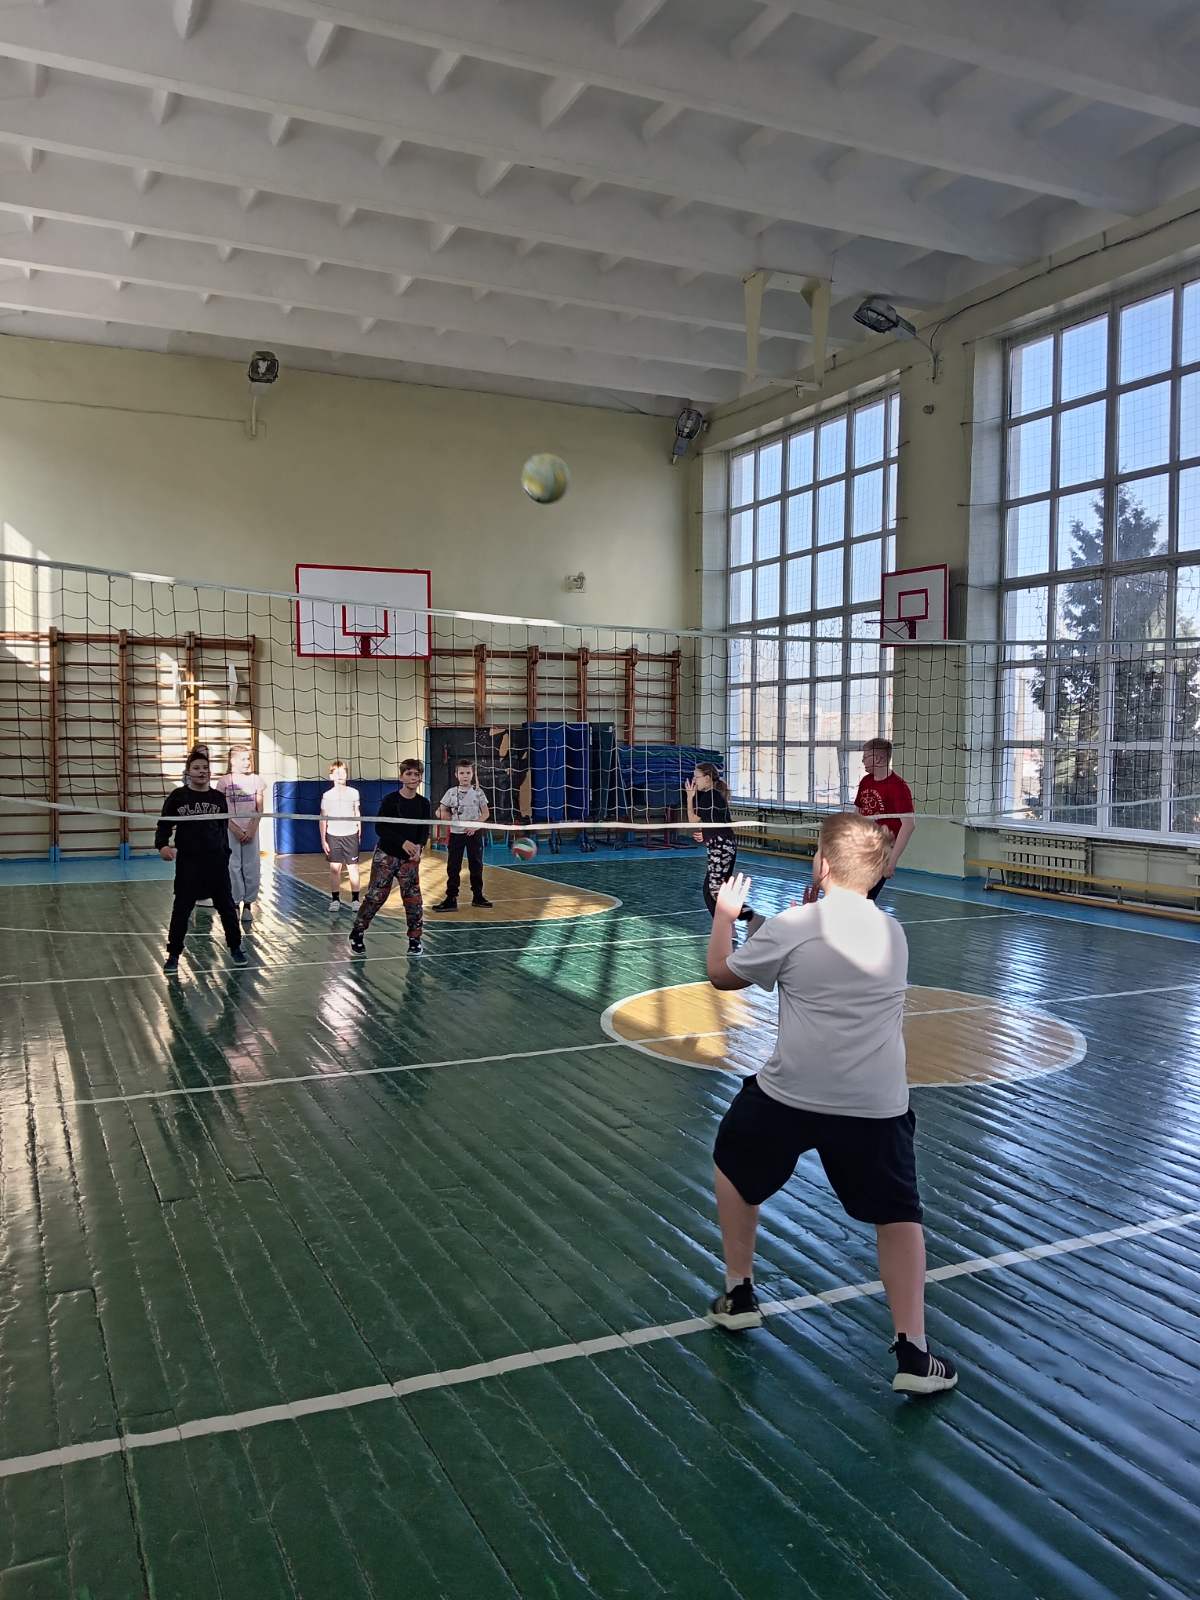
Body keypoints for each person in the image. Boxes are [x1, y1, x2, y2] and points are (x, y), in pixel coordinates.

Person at [703, 813, 957, 1396]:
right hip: (876, 1103)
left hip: (791, 1095)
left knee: (733, 1164)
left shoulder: (794, 926)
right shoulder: (892, 933)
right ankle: (914, 1352)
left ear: (821, 865)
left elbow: (721, 973)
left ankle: (739, 1293)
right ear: (879, 872)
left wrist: (724, 916)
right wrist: (778, 921)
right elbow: (816, 945)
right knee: (899, 1214)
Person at [155, 747, 248, 975]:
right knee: (181, 909)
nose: (201, 771)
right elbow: (164, 824)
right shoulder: (178, 796)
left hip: (216, 863)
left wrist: (224, 853)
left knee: (227, 908)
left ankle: (235, 947)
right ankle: (173, 955)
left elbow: (222, 828)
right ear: (188, 772)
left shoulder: (218, 798)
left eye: (205, 768)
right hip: (189, 863)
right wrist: (163, 845)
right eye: (196, 768)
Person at [349, 758, 430, 956]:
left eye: (417, 774)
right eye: (409, 774)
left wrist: (419, 847)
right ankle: (358, 932)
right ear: (401, 777)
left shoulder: (423, 803)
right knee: (375, 897)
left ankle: (415, 939)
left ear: (420, 778)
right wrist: (403, 842)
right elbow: (381, 827)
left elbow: (424, 829)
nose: (413, 777)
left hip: (409, 859)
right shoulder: (390, 800)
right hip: (386, 855)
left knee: (413, 900)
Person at [684, 762, 758, 933]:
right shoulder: (713, 796)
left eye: (696, 777)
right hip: (722, 844)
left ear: (707, 778)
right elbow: (716, 822)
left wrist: (689, 797)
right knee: (709, 890)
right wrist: (706, 834)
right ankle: (727, 926)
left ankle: (750, 917)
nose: (694, 780)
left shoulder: (710, 796)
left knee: (715, 891)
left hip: (721, 847)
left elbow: (693, 820)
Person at [854, 738, 915, 902]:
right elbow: (858, 815)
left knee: (863, 899)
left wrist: (891, 862)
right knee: (850, 897)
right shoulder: (866, 781)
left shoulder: (898, 787)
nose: (862, 760)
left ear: (878, 759)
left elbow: (909, 825)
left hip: (882, 852)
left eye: (866, 756)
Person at [433, 759, 493, 911]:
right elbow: (440, 811)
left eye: (468, 772)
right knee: (453, 866)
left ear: (472, 774)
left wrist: (475, 825)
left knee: (476, 865)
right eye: (462, 773)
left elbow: (485, 813)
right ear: (456, 775)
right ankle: (451, 898)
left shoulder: (478, 792)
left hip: (474, 834)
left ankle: (478, 896)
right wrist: (444, 816)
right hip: (456, 834)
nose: (465, 776)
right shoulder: (451, 792)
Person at [215, 744, 265, 926]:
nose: (247, 762)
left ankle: (248, 905)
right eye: (243, 759)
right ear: (232, 761)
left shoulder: (257, 780)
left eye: (249, 758)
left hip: (251, 830)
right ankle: (235, 904)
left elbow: (260, 809)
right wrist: (235, 829)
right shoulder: (224, 782)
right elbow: (220, 810)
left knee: (252, 866)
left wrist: (251, 828)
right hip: (230, 830)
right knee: (232, 866)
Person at [319, 760, 362, 914]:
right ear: (331, 776)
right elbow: (323, 818)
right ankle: (335, 900)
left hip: (350, 834)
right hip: (333, 835)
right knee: (335, 869)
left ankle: (355, 900)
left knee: (353, 868)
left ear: (346, 774)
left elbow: (357, 812)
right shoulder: (327, 796)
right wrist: (323, 839)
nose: (340, 775)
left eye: (343, 772)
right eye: (337, 773)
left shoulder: (353, 793)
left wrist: (359, 830)